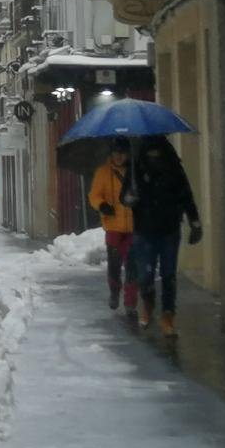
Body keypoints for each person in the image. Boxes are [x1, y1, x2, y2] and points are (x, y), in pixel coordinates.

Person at [124, 133, 203, 339]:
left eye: (157, 152)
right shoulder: (136, 168)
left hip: (169, 228)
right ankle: (148, 304)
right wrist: (129, 197)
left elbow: (185, 194)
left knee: (169, 275)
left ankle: (168, 314)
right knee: (146, 275)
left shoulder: (173, 167)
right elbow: (124, 196)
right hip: (145, 229)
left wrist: (194, 221)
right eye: (151, 152)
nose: (154, 155)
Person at [87, 137, 140, 323]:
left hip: (134, 227)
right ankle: (114, 291)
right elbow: (94, 195)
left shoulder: (135, 172)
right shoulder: (103, 173)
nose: (119, 157)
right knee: (115, 265)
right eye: (116, 153)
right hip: (113, 227)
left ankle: (131, 303)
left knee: (133, 267)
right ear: (111, 154)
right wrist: (102, 205)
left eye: (122, 153)